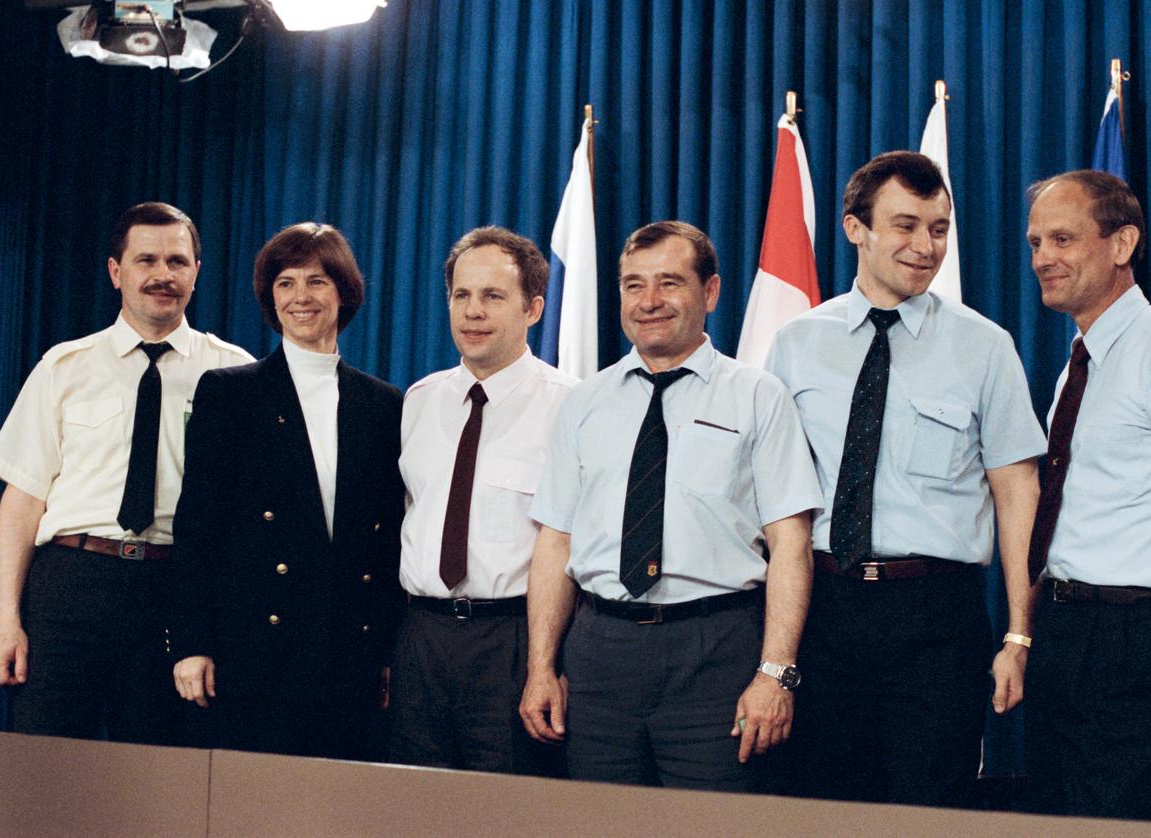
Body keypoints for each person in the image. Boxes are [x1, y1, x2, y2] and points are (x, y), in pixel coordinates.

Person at [764, 151, 1046, 808]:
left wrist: (1020, 632)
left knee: (929, 811)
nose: (926, 246)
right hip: (824, 611)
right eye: (906, 225)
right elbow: (771, 497)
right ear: (854, 228)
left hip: (936, 619)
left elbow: (1017, 496)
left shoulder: (985, 347)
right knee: (824, 809)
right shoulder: (796, 342)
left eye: (940, 228)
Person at [520, 220, 820, 792]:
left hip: (715, 652)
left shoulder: (758, 396)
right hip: (599, 652)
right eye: (633, 285)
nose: (649, 302)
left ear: (710, 292)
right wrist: (541, 667)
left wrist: (775, 673)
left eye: (669, 283)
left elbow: (791, 544)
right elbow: (555, 541)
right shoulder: (583, 403)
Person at [0, 202, 253, 744]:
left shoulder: (233, 373)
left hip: (173, 591)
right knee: (43, 767)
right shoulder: (64, 366)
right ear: (115, 271)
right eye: (146, 259)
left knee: (159, 775)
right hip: (70, 583)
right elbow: (23, 500)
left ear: (197, 271)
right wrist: (6, 619)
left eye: (177, 261)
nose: (162, 275)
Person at [1023, 169, 1151, 822]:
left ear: (1122, 245)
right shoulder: (1079, 363)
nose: (1042, 259)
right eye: (1035, 243)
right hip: (1064, 634)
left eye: (1062, 238)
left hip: (1139, 638)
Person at [167, 222, 405, 760]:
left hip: (349, 654)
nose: (301, 297)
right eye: (285, 283)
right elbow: (197, 526)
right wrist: (191, 643)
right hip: (253, 651)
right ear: (270, 300)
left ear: (344, 292)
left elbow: (386, 541)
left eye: (317, 281)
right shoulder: (231, 393)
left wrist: (387, 651)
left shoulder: (384, 404)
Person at [389, 226, 576, 774]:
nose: (473, 311)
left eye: (493, 297)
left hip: (514, 640)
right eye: (461, 296)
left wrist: (549, 664)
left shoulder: (571, 407)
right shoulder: (418, 402)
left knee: (506, 811)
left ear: (534, 308)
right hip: (420, 637)